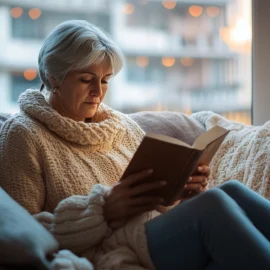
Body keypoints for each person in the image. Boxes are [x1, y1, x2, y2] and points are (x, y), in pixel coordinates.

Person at [0, 20, 269, 270]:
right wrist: (103, 210)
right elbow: (24, 234)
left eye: (105, 80)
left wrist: (181, 191)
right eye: (86, 79)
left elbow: (154, 199)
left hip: (155, 230)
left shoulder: (120, 126)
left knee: (230, 191)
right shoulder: (23, 135)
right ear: (53, 76)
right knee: (213, 205)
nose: (98, 91)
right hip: (112, 249)